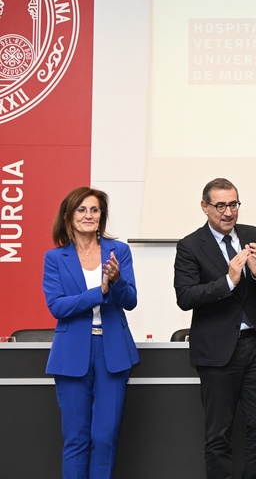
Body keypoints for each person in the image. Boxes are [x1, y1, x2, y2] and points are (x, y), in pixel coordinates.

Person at [174, 178, 256, 479]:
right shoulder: (190, 245)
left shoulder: (253, 235)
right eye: (220, 205)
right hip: (216, 352)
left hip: (255, 348)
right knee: (218, 434)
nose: (227, 212)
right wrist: (229, 282)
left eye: (233, 204)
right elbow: (185, 297)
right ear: (205, 207)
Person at [42, 187, 139, 479]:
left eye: (94, 209)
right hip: (72, 354)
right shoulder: (55, 257)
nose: (88, 215)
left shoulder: (118, 251)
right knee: (76, 438)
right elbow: (57, 306)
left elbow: (131, 300)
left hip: (112, 352)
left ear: (102, 216)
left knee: (105, 437)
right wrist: (100, 291)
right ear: (68, 217)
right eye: (81, 210)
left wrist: (117, 281)